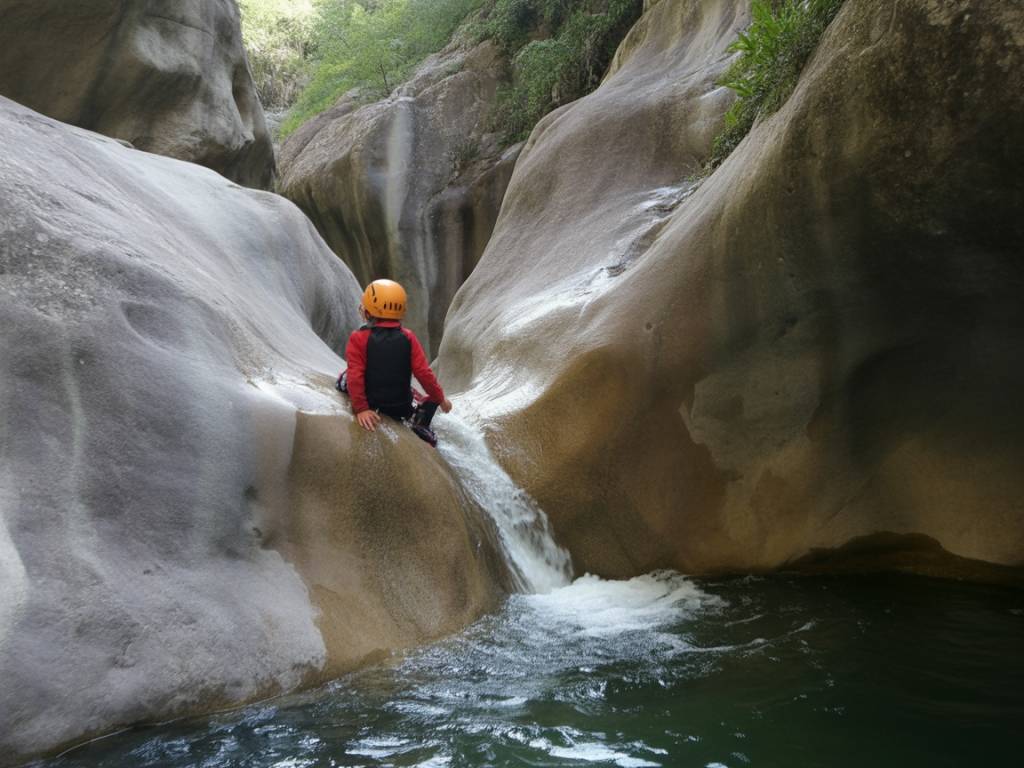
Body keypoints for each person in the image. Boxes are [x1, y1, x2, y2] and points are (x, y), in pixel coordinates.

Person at [337, 278, 452, 444]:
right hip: (401, 407)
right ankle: (419, 418)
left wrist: (361, 409)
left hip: (372, 403)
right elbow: (423, 373)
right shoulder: (409, 338)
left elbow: (356, 375)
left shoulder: (359, 338)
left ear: (369, 311)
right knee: (412, 391)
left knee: (345, 377)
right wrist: (440, 399)